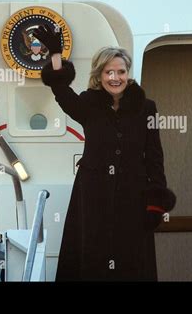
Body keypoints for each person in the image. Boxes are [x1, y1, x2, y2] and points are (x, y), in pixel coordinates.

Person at [33, 25, 176, 281]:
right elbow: (62, 92)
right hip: (93, 196)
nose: (115, 78)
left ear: (127, 74)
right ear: (99, 75)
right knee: (93, 258)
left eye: (121, 72)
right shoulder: (88, 103)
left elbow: (155, 157)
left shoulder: (146, 108)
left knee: (132, 260)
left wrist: (155, 202)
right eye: (109, 72)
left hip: (133, 197)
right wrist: (55, 54)